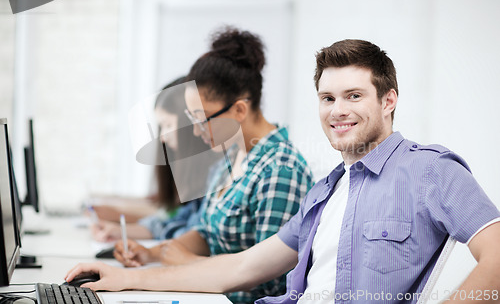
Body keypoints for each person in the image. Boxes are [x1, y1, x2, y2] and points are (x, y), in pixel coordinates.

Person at [67, 39, 500, 303]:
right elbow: (237, 269)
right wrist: (125, 279)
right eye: (327, 98)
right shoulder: (325, 192)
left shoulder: (429, 170)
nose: (338, 111)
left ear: (388, 101)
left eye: (353, 95)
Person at [109, 27, 313, 303]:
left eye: (201, 119)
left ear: (239, 110)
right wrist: (155, 253)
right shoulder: (229, 158)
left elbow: (271, 284)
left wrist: (188, 263)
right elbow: (207, 233)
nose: (196, 132)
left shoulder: (281, 171)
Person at [92, 77, 214, 241]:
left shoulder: (214, 176)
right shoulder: (194, 179)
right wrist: (121, 230)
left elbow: (191, 234)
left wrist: (122, 221)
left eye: (168, 125)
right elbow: (173, 222)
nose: (163, 137)